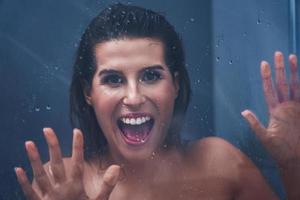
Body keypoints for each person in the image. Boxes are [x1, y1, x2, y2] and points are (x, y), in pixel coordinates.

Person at [15, 3, 300, 200]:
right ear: (88, 92)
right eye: (113, 79)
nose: (134, 97)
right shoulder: (63, 182)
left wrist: (293, 164)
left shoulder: (219, 163)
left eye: (151, 75)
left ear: (175, 85)